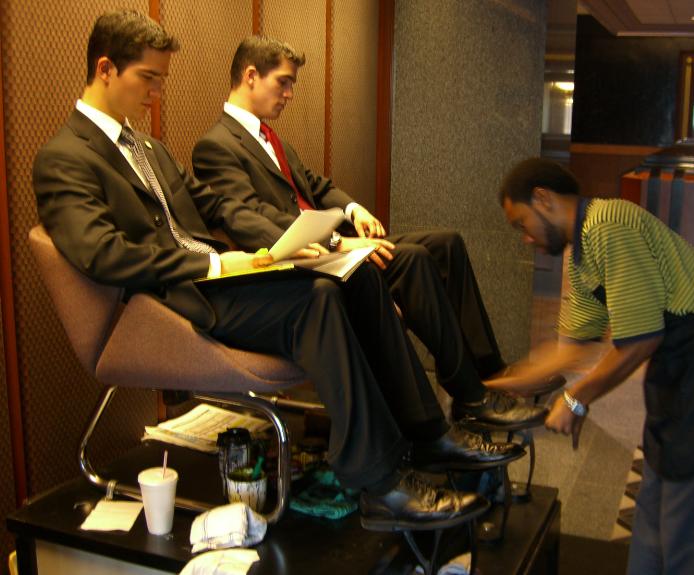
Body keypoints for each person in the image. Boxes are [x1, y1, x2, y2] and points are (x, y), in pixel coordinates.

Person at [33, 9, 525, 531]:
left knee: (354, 275)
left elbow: (216, 205)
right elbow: (102, 253)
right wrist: (217, 261)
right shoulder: (63, 158)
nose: (157, 93)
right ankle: (381, 483)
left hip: (222, 278)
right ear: (105, 69)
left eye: (161, 79)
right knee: (317, 300)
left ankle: (426, 435)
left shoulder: (147, 147)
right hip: (177, 300)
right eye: (148, 78)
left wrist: (286, 244)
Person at [192, 36, 560, 428]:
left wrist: (354, 209)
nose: (290, 94)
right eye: (283, 82)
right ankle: (470, 398)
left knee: (446, 244)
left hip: (331, 249)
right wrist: (337, 241)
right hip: (302, 261)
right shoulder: (216, 146)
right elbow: (252, 217)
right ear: (251, 76)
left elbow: (314, 185)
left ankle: (488, 373)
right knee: (414, 259)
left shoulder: (270, 137)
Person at [489, 158, 694, 574]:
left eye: (521, 224)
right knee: (654, 521)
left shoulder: (608, 224)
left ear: (543, 199)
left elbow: (640, 341)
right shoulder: (581, 250)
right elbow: (572, 347)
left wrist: (576, 398)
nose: (525, 238)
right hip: (678, 373)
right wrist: (501, 383)